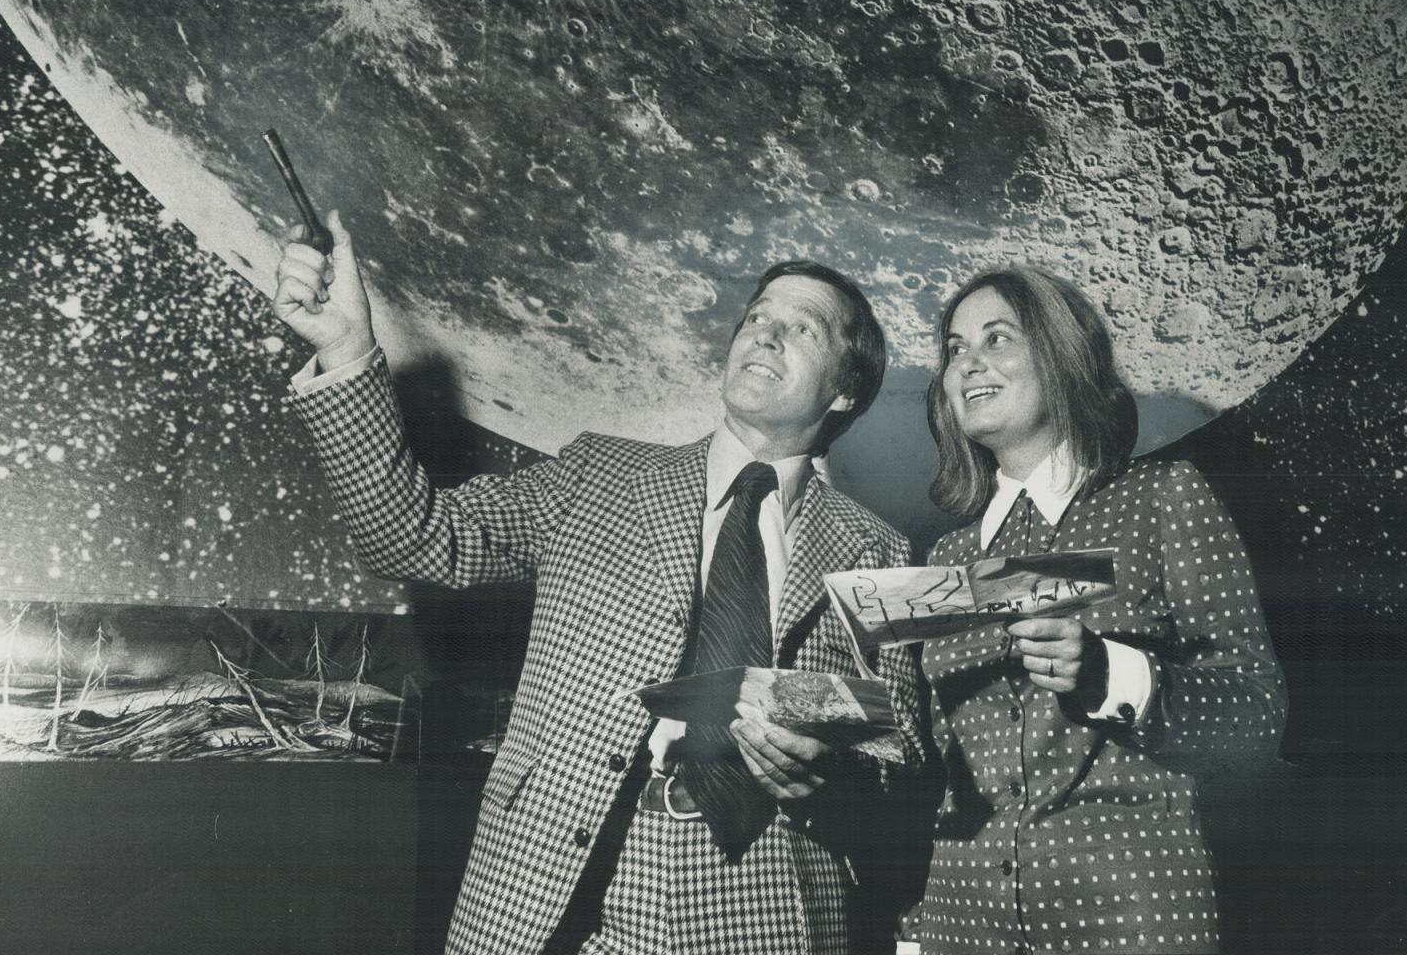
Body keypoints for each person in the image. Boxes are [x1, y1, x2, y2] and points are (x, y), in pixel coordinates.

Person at [269, 212, 932, 955]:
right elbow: (412, 535)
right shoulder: (597, 475)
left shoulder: (877, 549)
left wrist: (831, 771)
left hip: (769, 902)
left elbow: (898, 756)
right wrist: (348, 348)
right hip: (566, 889)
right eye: (756, 317)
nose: (764, 336)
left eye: (803, 328)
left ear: (845, 390)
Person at [912, 265, 1286, 955]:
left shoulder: (1161, 498)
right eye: (955, 350)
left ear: (1062, 354)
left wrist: (1110, 675)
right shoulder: (946, 557)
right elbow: (937, 760)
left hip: (1129, 909)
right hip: (958, 918)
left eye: (998, 340)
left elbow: (1255, 719)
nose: (968, 365)